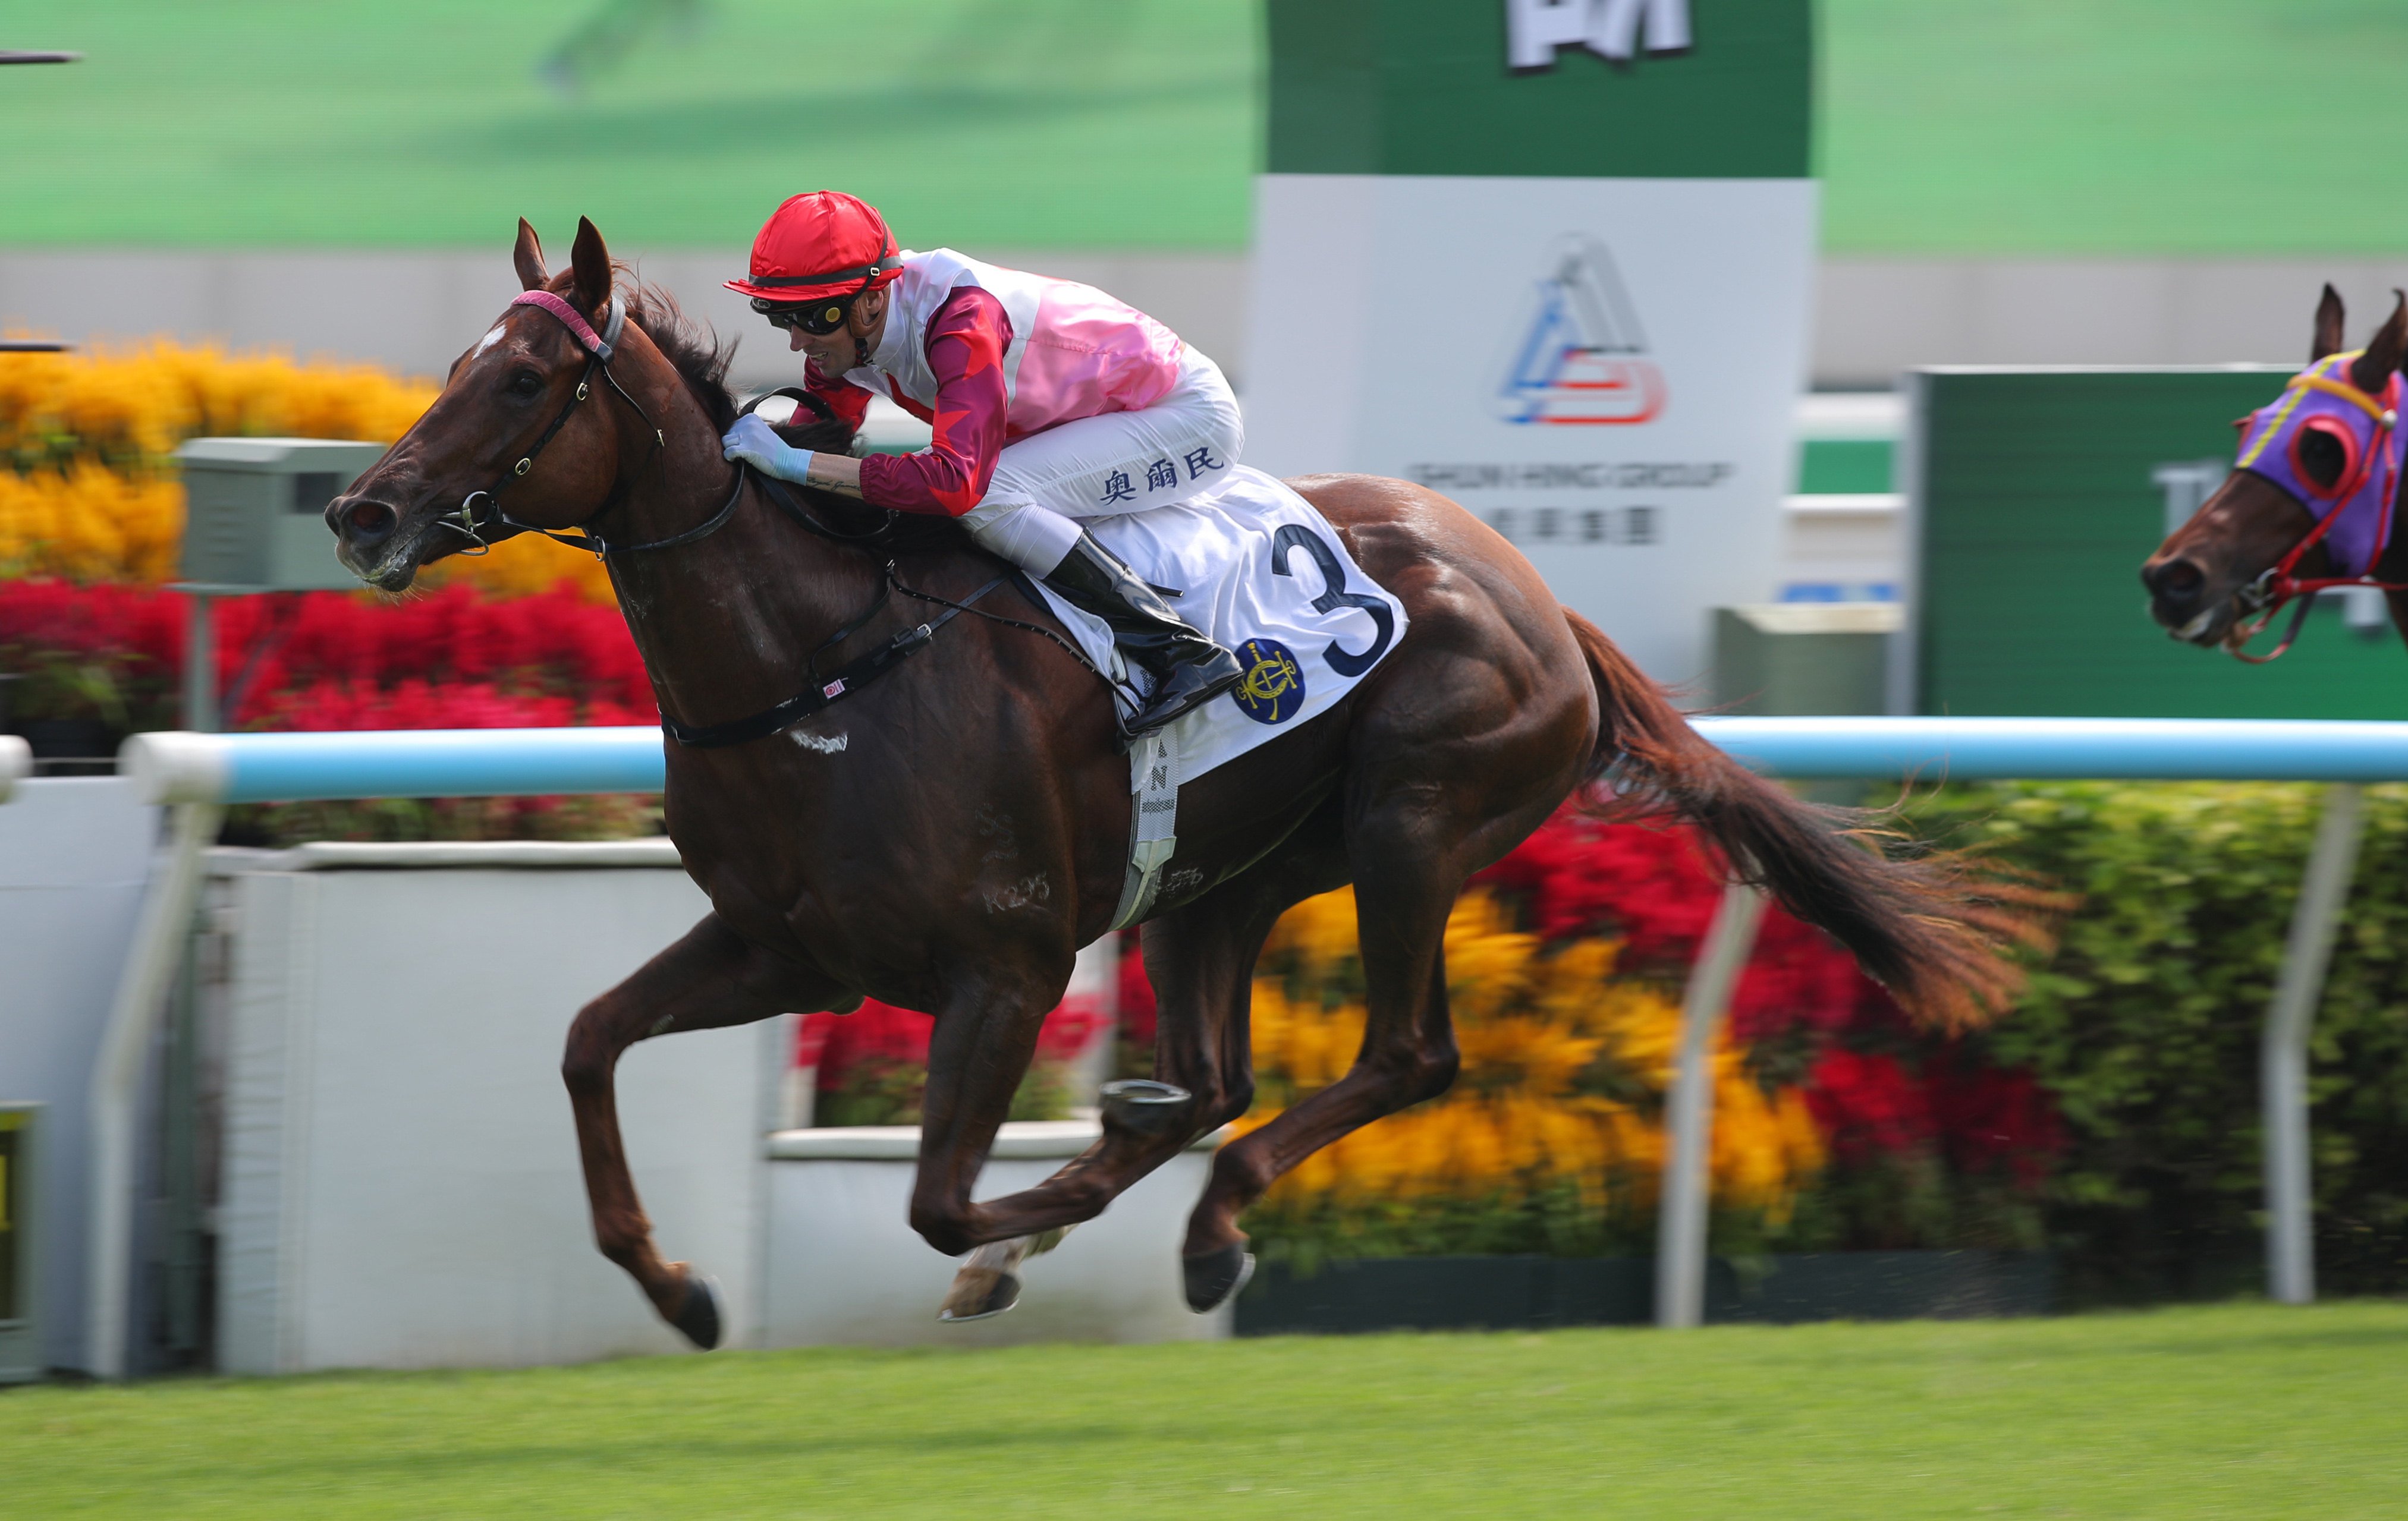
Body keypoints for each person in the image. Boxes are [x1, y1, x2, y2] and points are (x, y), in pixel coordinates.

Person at [719, 190, 1244, 734]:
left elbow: (954, 484)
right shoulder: (846, 339)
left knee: (989, 496)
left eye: (811, 316)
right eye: (782, 318)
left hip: (1183, 417)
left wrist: (794, 464)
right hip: (1093, 418)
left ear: (872, 300)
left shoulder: (962, 320)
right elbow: (816, 449)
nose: (797, 342)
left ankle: (1180, 650)